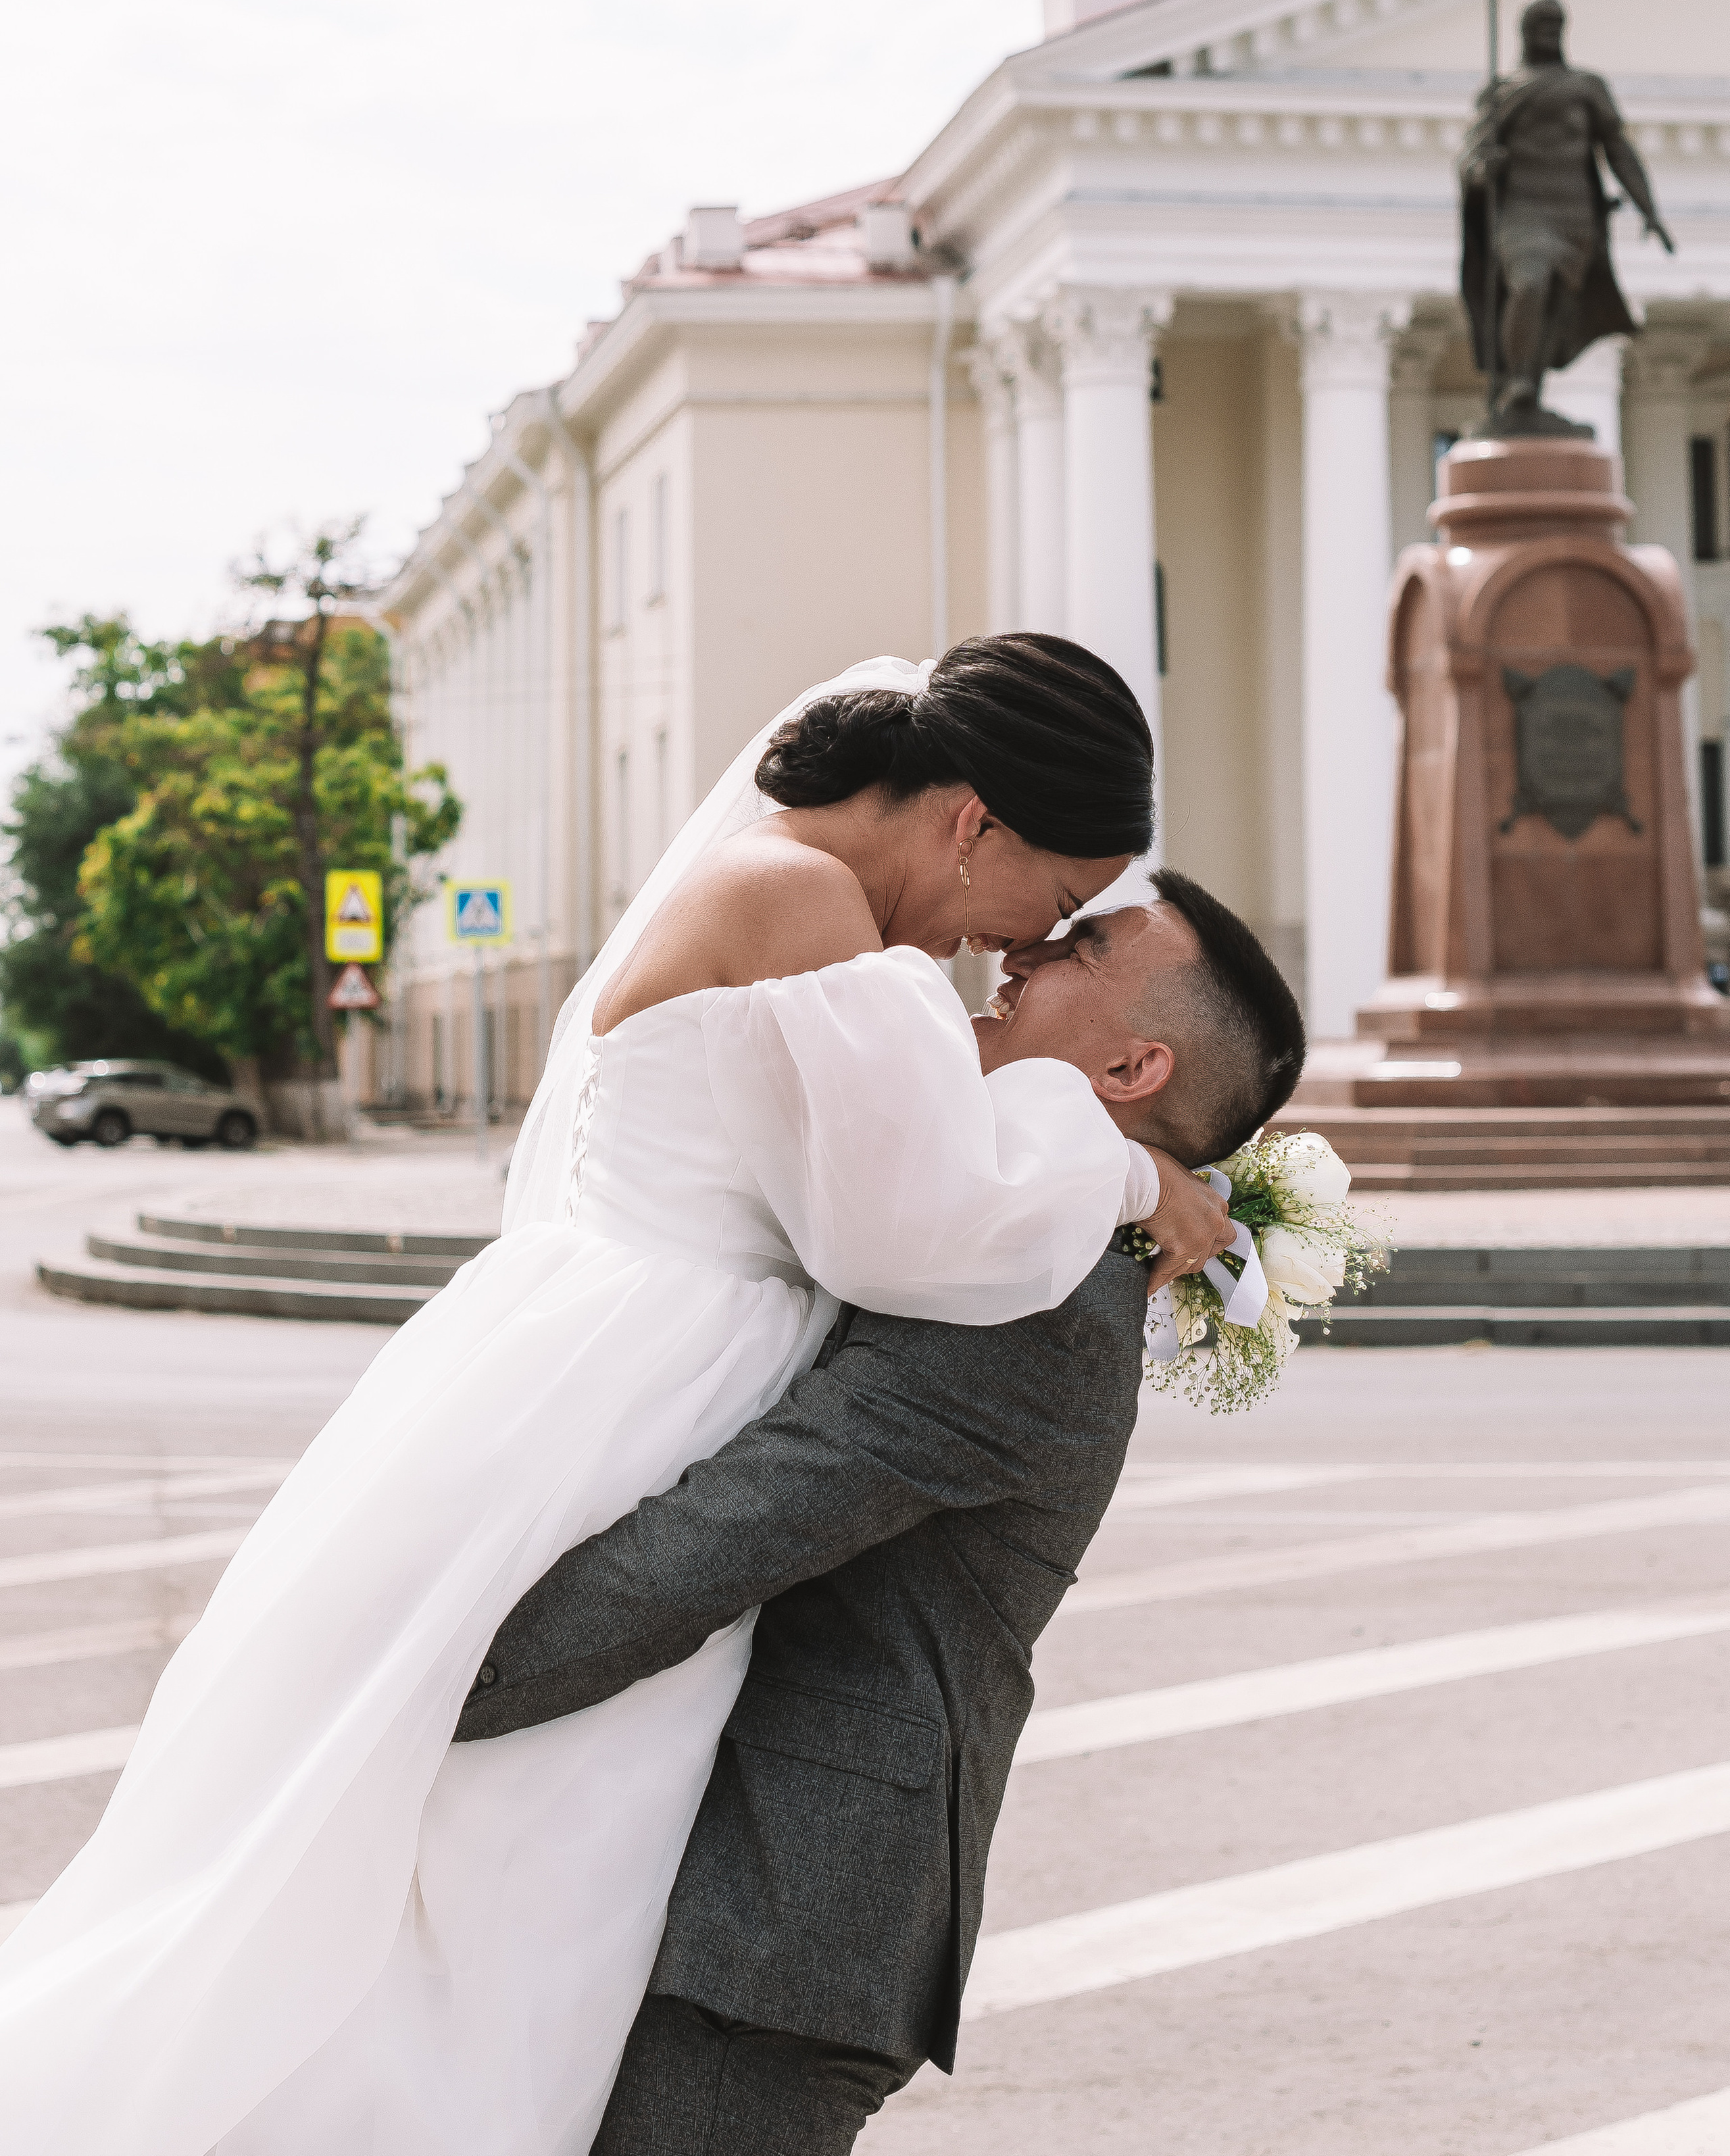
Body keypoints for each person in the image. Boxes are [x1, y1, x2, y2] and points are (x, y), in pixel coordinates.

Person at [0, 637, 1235, 2156]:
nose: (1009, 950)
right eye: (1046, 902)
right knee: (475, 1871)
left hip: (620, 1364)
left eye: (1057, 932)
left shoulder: (814, 903)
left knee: (486, 1886)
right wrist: (1123, 1160)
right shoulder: (808, 908)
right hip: (632, 1392)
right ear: (971, 821)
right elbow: (901, 1235)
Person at [455, 877, 1306, 2154]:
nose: (1026, 948)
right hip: (737, 1877)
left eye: (1082, 945)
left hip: (780, 1913)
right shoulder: (1011, 1216)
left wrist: (421, 1694)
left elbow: (713, 1543)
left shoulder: (1041, 1304)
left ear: (1134, 1061)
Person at [1459, 0, 1674, 424]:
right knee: (1530, 285)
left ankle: (1528, 396)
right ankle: (1516, 381)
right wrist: (1484, 170)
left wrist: (1649, 209)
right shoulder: (1505, 92)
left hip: (1574, 216)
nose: (1548, 34)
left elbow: (1618, 149)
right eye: (1539, 26)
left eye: (1555, 26)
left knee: (1556, 309)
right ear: (1523, 32)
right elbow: (1472, 159)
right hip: (1524, 212)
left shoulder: (1586, 88)